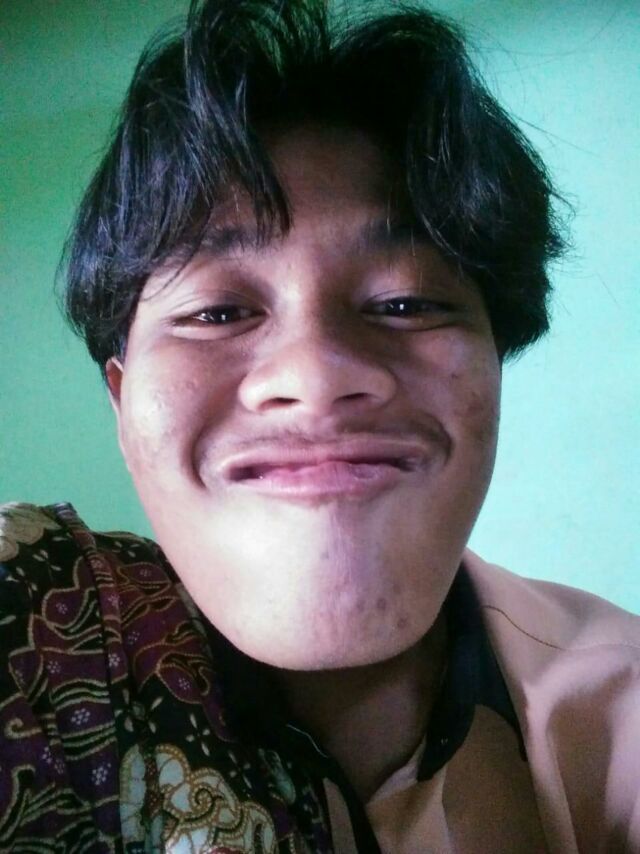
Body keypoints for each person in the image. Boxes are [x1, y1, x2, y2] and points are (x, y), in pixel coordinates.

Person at [1, 0, 638, 850]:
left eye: (407, 301)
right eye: (217, 312)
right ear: (122, 404)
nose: (316, 376)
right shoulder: (33, 627)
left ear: (495, 364)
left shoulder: (624, 703)